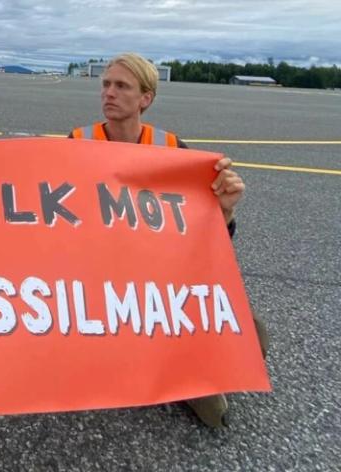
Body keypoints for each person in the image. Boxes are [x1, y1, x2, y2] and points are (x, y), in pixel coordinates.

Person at [69, 52, 269, 428]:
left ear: (146, 98)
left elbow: (209, 237)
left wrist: (224, 210)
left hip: (156, 271)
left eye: (122, 86)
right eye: (106, 85)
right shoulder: (77, 141)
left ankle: (189, 376)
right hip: (95, 267)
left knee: (251, 333)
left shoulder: (173, 150)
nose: (109, 93)